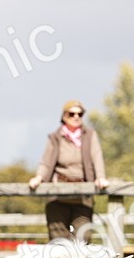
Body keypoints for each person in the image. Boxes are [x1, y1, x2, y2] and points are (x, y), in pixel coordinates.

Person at [28, 99, 109, 242]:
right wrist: (39, 177)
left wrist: (100, 177)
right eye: (72, 114)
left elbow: (97, 156)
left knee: (82, 239)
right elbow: (46, 162)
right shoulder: (55, 137)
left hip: (83, 196)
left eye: (80, 114)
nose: (76, 117)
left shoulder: (89, 135)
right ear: (64, 116)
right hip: (57, 195)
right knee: (58, 241)